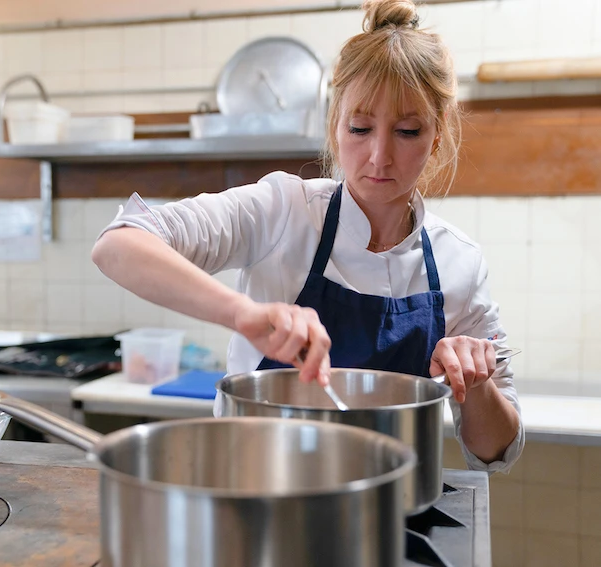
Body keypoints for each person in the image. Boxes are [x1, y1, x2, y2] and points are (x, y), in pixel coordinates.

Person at [91, 0, 523, 472]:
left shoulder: (459, 262)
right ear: (335, 126)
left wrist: (477, 382)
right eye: (360, 128)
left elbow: (496, 452)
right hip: (257, 489)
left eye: (407, 131)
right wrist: (243, 314)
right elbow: (118, 244)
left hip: (389, 504)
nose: (379, 156)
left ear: (436, 136)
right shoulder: (283, 210)